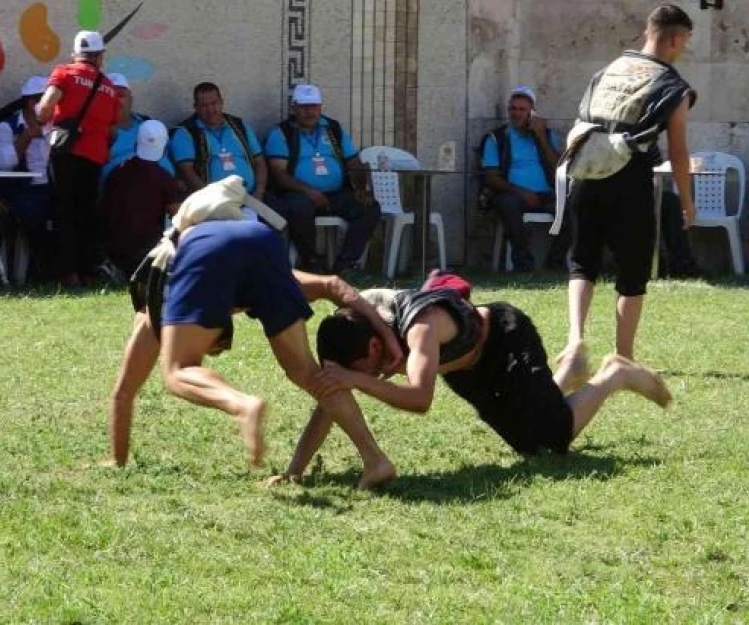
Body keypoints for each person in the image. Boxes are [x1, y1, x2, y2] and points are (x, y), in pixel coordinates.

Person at [105, 175, 403, 489]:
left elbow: (124, 391)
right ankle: (376, 461)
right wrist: (385, 334)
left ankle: (242, 405)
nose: (213, 348)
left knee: (178, 370)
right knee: (310, 374)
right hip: (263, 237)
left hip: (206, 248)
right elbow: (332, 285)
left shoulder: (161, 297)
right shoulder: (241, 270)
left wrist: (117, 459)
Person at [268, 272, 672, 483]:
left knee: (552, 439)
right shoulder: (357, 328)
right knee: (530, 446)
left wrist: (361, 382)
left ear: (373, 348)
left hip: (505, 340)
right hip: (465, 369)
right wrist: (294, 471)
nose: (365, 376)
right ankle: (570, 374)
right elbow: (330, 399)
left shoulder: (419, 328)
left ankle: (614, 375)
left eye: (363, 369)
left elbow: (420, 399)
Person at [551, 4, 697, 390]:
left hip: (585, 173)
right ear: (675, 38)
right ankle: (622, 357)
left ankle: (574, 343)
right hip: (630, 179)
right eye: (684, 42)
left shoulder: (607, 71)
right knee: (632, 274)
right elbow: (679, 151)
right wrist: (686, 200)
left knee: (582, 261)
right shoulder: (672, 86)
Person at [37, 30, 121, 287]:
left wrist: (44, 117)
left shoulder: (64, 73)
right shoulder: (109, 87)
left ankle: (67, 273)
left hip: (66, 153)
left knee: (64, 212)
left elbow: (46, 106)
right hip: (94, 156)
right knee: (86, 212)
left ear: (76, 54)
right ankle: (87, 271)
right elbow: (114, 130)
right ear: (99, 57)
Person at [266, 84, 380, 274]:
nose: (309, 112)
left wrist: (362, 188)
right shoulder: (281, 133)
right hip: (298, 194)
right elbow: (279, 174)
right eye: (303, 107)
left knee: (370, 207)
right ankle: (311, 261)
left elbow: (354, 161)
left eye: (314, 106)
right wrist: (309, 191)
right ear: (293, 107)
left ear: (320, 107)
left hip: (335, 194)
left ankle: (345, 264)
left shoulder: (333, 129)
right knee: (298, 207)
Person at [479, 86, 565, 272]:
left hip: (545, 194)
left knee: (572, 206)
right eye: (513, 109)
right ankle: (523, 264)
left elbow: (559, 168)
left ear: (531, 113)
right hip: (512, 194)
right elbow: (491, 178)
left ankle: (555, 263)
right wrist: (522, 192)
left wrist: (540, 136)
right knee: (507, 204)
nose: (516, 114)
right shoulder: (496, 138)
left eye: (522, 109)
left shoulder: (546, 135)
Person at [0, 75, 55, 278]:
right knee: (31, 213)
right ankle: (41, 272)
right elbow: (5, 164)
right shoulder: (7, 127)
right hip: (20, 189)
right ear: (32, 102)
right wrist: (27, 136)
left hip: (49, 186)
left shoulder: (55, 126)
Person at [101, 120, 181, 276]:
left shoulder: (117, 172)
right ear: (164, 147)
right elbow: (179, 216)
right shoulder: (163, 177)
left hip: (112, 250)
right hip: (147, 252)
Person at [169, 82, 268, 203]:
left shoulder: (239, 125)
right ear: (196, 107)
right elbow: (187, 172)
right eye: (204, 105)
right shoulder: (184, 133)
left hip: (252, 197)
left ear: (221, 102)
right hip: (212, 202)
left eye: (214, 103)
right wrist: (212, 199)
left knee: (279, 213)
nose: (210, 109)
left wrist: (259, 191)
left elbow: (259, 161)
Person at [100, 73, 173, 185]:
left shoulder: (148, 124)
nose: (116, 100)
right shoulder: (95, 131)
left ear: (131, 99)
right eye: (110, 95)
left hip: (158, 188)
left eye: (120, 95)